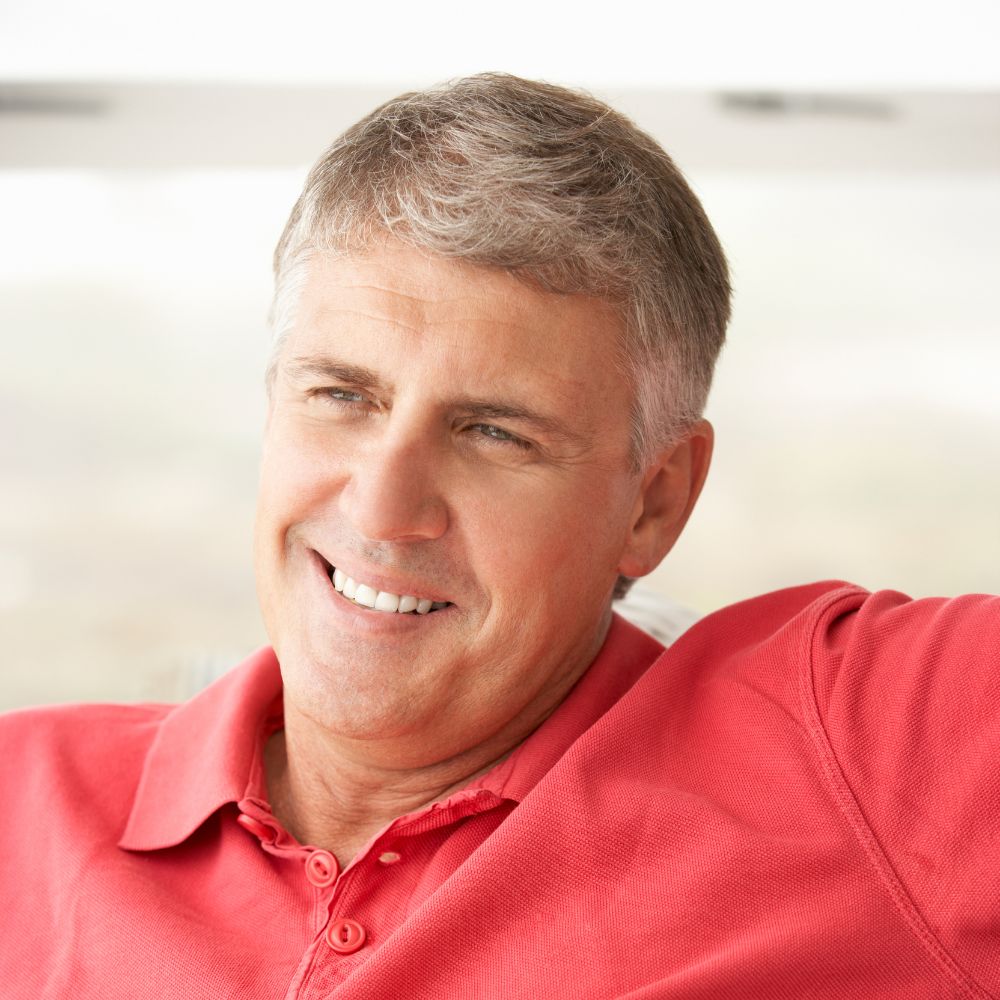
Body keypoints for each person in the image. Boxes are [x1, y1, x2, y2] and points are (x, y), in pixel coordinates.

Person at [2, 73, 997, 1000]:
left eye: (492, 433)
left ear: (652, 501)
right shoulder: (20, 803)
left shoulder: (851, 752)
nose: (385, 509)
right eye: (340, 395)